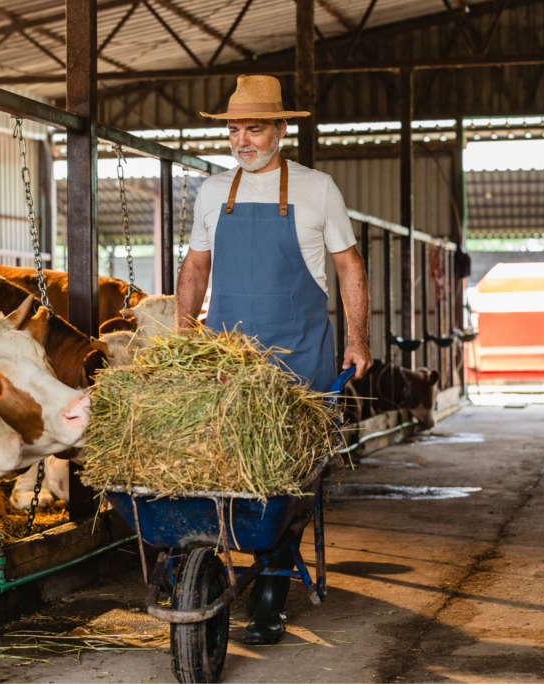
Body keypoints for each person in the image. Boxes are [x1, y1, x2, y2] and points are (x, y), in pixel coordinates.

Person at [175, 74, 372, 645]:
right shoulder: (214, 192)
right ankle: (214, 569)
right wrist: (185, 340)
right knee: (223, 472)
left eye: (254, 128)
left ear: (281, 130)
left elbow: (350, 267)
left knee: (286, 480)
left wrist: (355, 340)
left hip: (300, 359)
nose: (242, 140)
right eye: (234, 129)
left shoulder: (318, 189)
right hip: (230, 366)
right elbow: (195, 267)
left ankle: (271, 588)